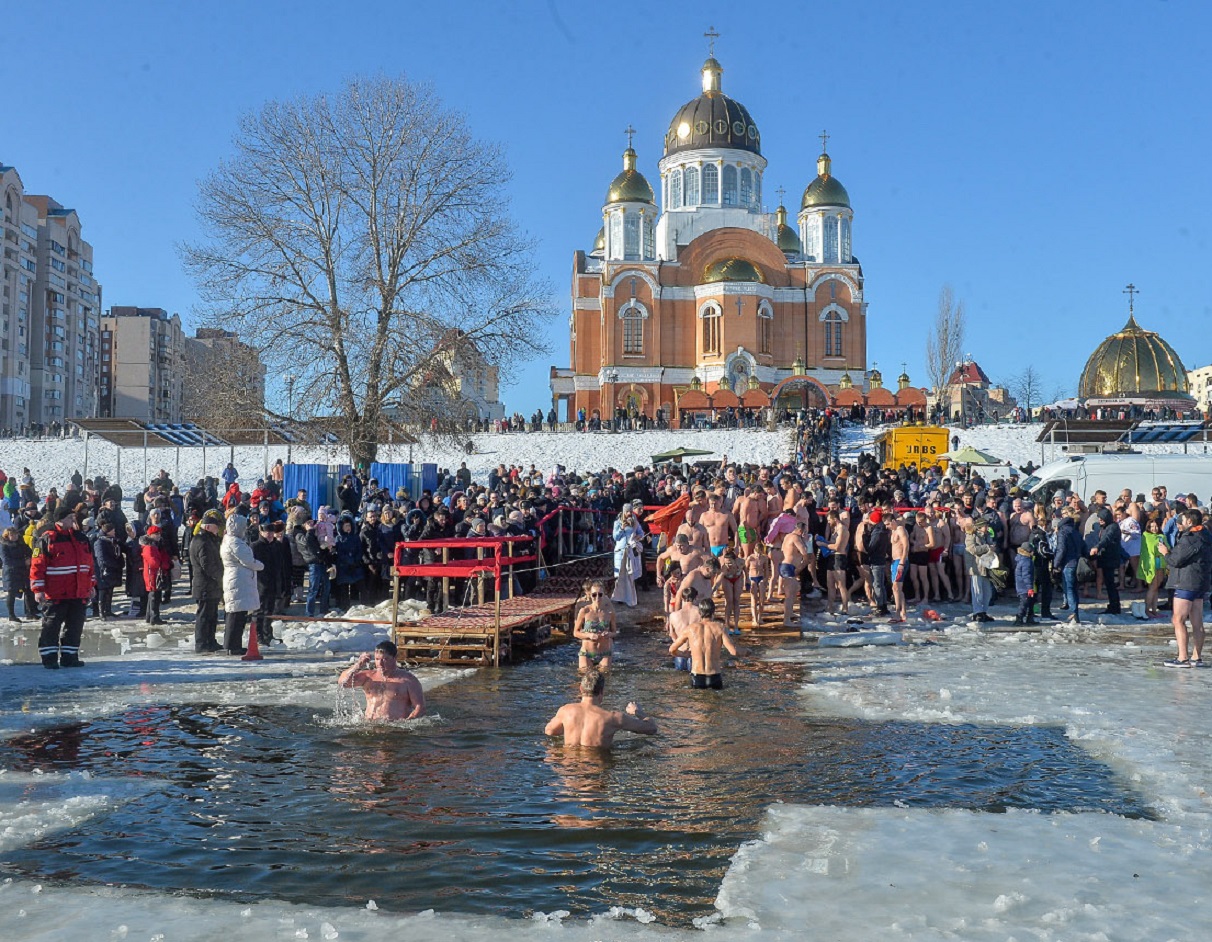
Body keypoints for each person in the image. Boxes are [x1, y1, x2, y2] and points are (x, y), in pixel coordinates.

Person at [31, 506, 95, 669]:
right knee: (51, 626)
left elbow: (89, 564)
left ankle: (70, 657)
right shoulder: (47, 538)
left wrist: (91, 585)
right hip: (55, 593)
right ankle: (49, 658)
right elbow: (37, 565)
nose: (73, 520)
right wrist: (38, 589)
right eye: (69, 517)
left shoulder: (81, 538)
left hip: (78, 592)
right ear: (59, 519)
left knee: (75, 626)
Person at [544, 669, 656, 748]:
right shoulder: (613, 718)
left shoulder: (565, 711)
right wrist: (638, 712)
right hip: (596, 773)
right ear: (602, 691)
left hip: (569, 774)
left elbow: (549, 731)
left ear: (581, 688)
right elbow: (651, 728)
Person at [1157, 508, 1212, 668]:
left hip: (1186, 582)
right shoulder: (1206, 536)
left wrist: (1165, 552)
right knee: (1197, 620)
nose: (1178, 524)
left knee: (1178, 619)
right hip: (1200, 582)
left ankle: (1182, 658)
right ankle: (1196, 657)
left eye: (1181, 521)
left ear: (1190, 522)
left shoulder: (1190, 539)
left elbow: (1175, 560)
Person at [338, 639, 426, 720]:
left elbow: (420, 708)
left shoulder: (408, 680)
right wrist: (358, 665)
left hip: (396, 729)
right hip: (369, 727)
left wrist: (407, 724)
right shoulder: (368, 677)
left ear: (395, 658)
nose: (380, 663)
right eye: (377, 659)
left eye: (385, 659)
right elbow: (343, 683)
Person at [667, 598, 739, 689]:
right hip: (714, 675)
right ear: (713, 612)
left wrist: (683, 654)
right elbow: (733, 652)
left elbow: (672, 649)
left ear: (699, 612)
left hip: (697, 676)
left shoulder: (691, 628)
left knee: (698, 702)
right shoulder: (720, 628)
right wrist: (746, 651)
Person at [221, 514, 264, 655]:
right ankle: (233, 646)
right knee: (236, 615)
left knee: (237, 614)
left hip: (237, 579)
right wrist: (260, 565)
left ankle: (232, 644)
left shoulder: (230, 541)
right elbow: (248, 561)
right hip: (238, 580)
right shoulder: (235, 543)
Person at [189, 509, 225, 652]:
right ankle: (202, 643)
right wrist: (221, 577)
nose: (218, 531)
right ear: (209, 527)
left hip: (210, 586)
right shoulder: (202, 541)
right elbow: (207, 564)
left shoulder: (208, 539)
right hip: (205, 585)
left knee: (211, 615)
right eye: (216, 528)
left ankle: (210, 640)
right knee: (204, 616)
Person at [573, 581, 616, 671]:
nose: (597, 597)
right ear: (590, 595)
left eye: (600, 594)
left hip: (604, 652)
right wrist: (589, 635)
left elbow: (614, 632)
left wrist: (608, 634)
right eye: (594, 595)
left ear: (604, 595)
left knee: (605, 678)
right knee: (585, 678)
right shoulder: (584, 611)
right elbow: (575, 633)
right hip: (587, 653)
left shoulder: (609, 612)